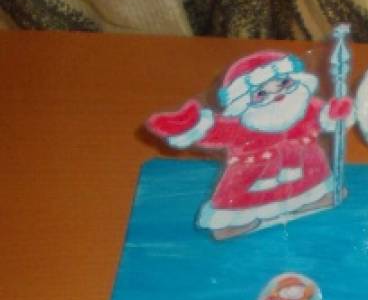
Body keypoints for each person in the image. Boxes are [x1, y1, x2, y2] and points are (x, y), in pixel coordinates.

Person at [147, 50, 353, 236]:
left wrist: (335, 113)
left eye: (283, 83)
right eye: (261, 94)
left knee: (314, 185)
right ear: (243, 101)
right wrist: (191, 124)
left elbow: (327, 116)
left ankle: (314, 199)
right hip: (255, 170)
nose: (277, 95)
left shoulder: (304, 106)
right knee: (240, 201)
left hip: (306, 163)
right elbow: (213, 130)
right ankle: (232, 223)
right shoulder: (241, 125)